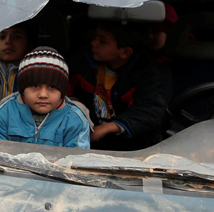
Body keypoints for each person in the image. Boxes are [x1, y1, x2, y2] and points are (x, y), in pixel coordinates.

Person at [69, 21, 168, 151]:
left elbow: (150, 111)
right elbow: (65, 88)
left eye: (102, 41)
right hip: (90, 142)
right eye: (96, 37)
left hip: (135, 148)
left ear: (125, 52)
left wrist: (108, 128)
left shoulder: (147, 74)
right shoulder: (83, 62)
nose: (94, 43)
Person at [0, 48, 91, 148]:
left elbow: (75, 160)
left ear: (62, 91)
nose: (43, 95)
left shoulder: (74, 118)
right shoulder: (6, 111)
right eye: (35, 86)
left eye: (52, 87)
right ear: (22, 89)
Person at [0, 24, 30, 135]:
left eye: (16, 37)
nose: (8, 41)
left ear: (27, 44)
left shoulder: (34, 75)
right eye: (2, 37)